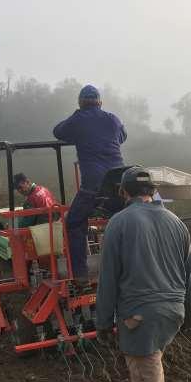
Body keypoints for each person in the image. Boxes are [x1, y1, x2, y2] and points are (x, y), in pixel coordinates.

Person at [95, 166, 191, 382]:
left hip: (141, 313)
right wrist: (189, 312)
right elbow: (188, 274)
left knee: (146, 376)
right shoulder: (176, 222)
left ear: (124, 193)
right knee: (153, 362)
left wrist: (102, 322)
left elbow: (108, 279)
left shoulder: (119, 223)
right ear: (152, 192)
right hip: (174, 310)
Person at [53, 85, 127, 286]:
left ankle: (80, 275)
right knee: (123, 222)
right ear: (100, 102)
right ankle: (129, 267)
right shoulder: (113, 119)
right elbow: (123, 136)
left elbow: (58, 131)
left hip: (93, 188)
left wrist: (79, 117)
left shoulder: (79, 119)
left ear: (80, 103)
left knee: (74, 222)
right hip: (119, 186)